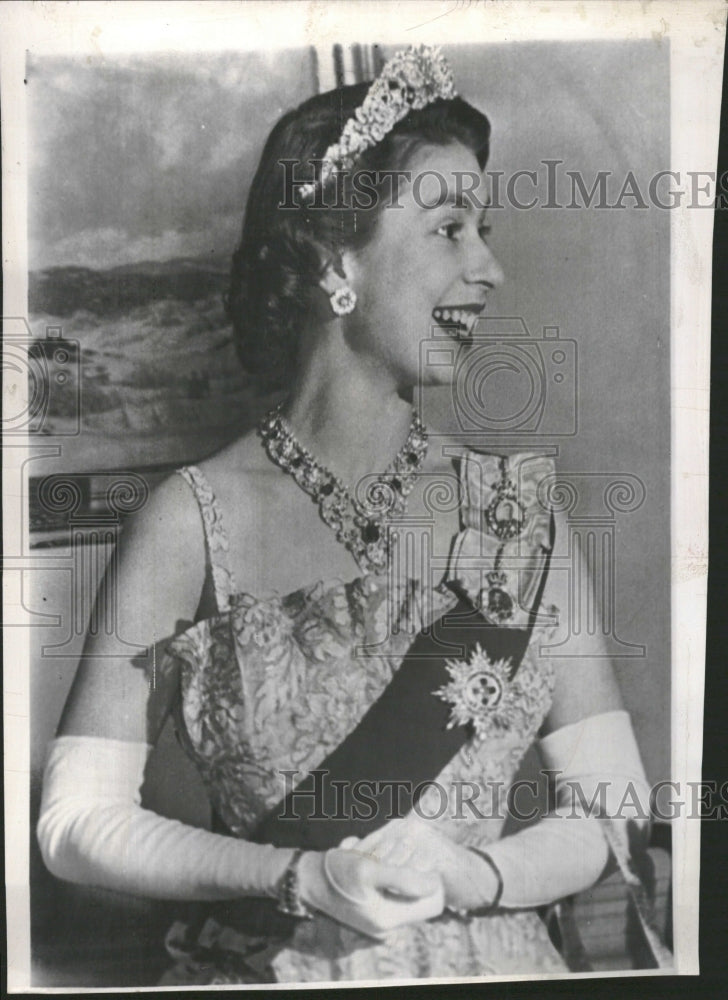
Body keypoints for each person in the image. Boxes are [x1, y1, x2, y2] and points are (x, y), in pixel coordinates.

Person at [37, 45, 653, 984]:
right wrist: (298, 876)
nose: (488, 268)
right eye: (449, 228)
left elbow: (616, 803)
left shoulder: (518, 516)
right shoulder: (186, 519)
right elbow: (75, 825)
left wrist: (476, 874)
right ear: (336, 255)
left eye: (482, 230)